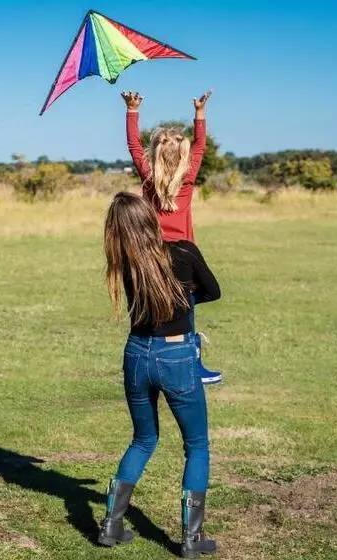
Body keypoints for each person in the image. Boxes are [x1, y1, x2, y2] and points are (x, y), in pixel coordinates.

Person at [98, 192, 221, 558]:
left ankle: (111, 525)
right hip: (176, 355)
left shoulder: (125, 262)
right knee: (196, 445)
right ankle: (191, 539)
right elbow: (214, 291)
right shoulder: (183, 251)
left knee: (143, 440)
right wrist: (182, 298)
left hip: (136, 354)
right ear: (151, 219)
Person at [121, 90, 223, 386]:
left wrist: (132, 109)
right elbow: (201, 145)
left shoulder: (148, 177)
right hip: (184, 255)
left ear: (154, 154)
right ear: (183, 157)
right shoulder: (188, 178)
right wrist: (200, 114)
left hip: (151, 253)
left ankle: (151, 359)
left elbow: (133, 146)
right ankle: (191, 363)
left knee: (154, 305)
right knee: (188, 306)